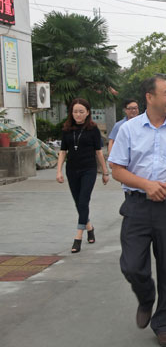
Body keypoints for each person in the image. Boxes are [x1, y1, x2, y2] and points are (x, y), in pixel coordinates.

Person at [108, 76, 166, 347]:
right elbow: (117, 170)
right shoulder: (129, 130)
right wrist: (147, 185)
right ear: (150, 97)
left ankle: (164, 323)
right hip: (137, 205)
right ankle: (146, 296)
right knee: (131, 265)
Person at [56, 98, 110, 253]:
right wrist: (59, 171)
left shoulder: (93, 129)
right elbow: (63, 152)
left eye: (81, 111)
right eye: (75, 112)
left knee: (83, 200)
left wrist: (105, 172)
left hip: (88, 170)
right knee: (78, 203)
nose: (78, 115)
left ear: (87, 113)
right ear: (71, 113)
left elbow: (98, 152)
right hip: (72, 170)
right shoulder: (67, 129)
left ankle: (78, 237)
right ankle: (89, 228)